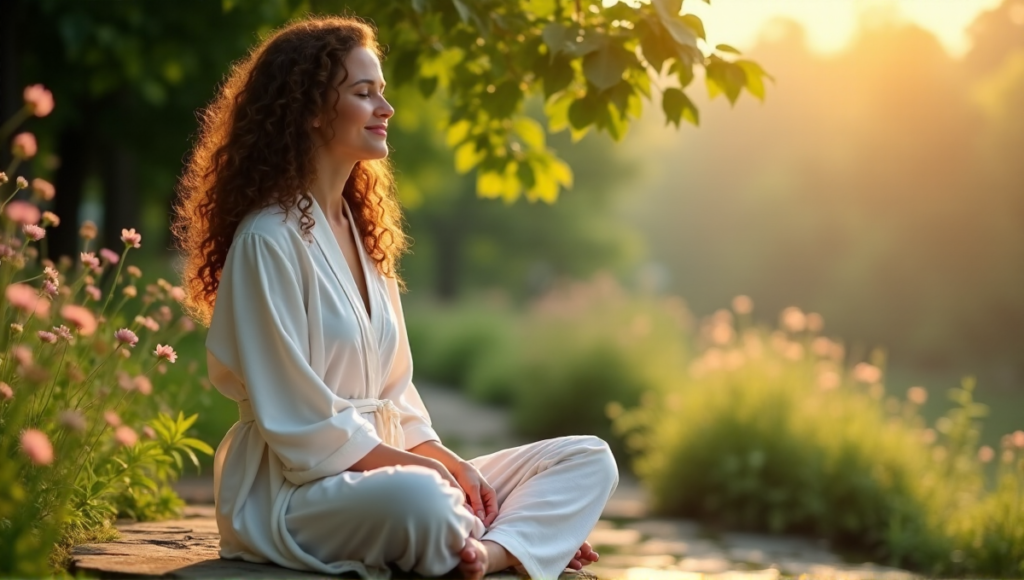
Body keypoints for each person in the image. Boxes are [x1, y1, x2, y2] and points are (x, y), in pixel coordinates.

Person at [172, 15, 618, 580]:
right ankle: (512, 539)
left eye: (382, 92)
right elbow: (299, 424)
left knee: (587, 459)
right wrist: (432, 478)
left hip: (393, 473)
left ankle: (493, 550)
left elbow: (397, 394)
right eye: (364, 93)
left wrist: (448, 462)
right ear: (310, 110)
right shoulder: (268, 239)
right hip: (296, 494)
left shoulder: (362, 236)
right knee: (421, 502)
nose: (386, 109)